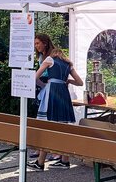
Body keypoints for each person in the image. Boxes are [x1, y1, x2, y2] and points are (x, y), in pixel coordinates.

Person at [27, 34, 83, 170]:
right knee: (63, 127)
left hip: (52, 93)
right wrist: (68, 81)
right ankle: (65, 160)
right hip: (64, 93)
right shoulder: (68, 64)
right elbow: (80, 82)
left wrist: (44, 85)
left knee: (46, 125)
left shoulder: (49, 59)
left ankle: (40, 162)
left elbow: (35, 76)